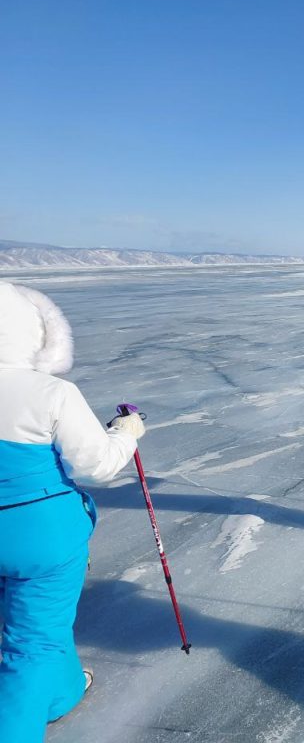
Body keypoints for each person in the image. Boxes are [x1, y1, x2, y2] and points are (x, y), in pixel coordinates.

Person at [0, 282, 146, 742]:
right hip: (40, 538)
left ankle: (61, 693)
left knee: (38, 624)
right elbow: (97, 463)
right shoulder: (48, 392)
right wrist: (127, 432)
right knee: (33, 642)